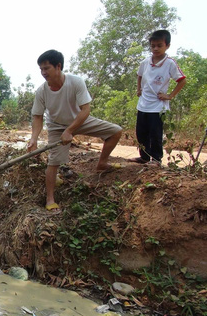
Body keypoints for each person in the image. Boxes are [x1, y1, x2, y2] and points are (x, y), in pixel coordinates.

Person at [27, 50, 122, 211]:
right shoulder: (42, 91)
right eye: (41, 69)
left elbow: (85, 110)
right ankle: (50, 199)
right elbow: (37, 117)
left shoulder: (76, 82)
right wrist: (33, 138)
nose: (43, 73)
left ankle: (102, 163)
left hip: (79, 120)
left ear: (58, 66)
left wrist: (70, 130)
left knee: (115, 131)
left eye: (46, 68)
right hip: (57, 125)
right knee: (54, 161)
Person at [128, 29, 186, 165]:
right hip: (143, 104)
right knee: (141, 133)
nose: (155, 48)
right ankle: (144, 157)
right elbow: (139, 75)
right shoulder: (145, 62)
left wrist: (170, 95)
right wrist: (139, 89)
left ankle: (156, 159)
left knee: (155, 134)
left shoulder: (170, 63)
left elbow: (182, 80)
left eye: (159, 45)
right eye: (153, 46)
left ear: (167, 46)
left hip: (157, 106)